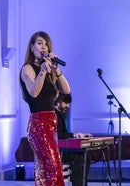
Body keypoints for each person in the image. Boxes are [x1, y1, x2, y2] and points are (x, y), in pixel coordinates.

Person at [20, 31, 70, 186]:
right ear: (32, 46)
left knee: (50, 170)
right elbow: (33, 93)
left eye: (46, 44)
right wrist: (42, 71)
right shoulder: (27, 69)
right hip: (38, 124)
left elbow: (66, 90)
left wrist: (55, 69)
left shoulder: (48, 69)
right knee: (51, 168)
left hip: (50, 123)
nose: (44, 46)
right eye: (40, 43)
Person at [54, 93, 92, 186]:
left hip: (62, 149)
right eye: (66, 103)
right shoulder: (54, 115)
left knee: (86, 156)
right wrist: (74, 135)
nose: (68, 106)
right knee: (81, 157)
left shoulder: (60, 114)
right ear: (59, 102)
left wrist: (79, 135)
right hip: (57, 152)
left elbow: (63, 134)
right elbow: (57, 135)